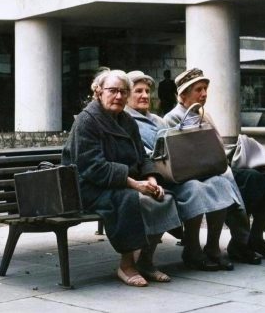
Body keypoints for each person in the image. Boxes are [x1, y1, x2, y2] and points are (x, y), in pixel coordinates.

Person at [62, 68, 182, 287]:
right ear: (98, 92)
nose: (118, 96)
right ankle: (126, 265)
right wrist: (134, 184)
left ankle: (145, 261)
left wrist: (151, 178)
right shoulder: (86, 121)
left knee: (162, 198)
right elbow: (92, 167)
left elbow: (142, 157)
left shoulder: (126, 120)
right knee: (129, 199)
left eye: (123, 92)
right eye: (112, 91)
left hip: (119, 181)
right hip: (88, 185)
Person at [165, 68, 265, 262]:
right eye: (198, 89)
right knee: (255, 180)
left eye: (205, 89)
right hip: (201, 173)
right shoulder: (173, 118)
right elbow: (182, 156)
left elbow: (216, 146)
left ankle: (256, 237)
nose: (204, 94)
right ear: (183, 94)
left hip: (218, 165)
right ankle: (241, 242)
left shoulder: (203, 114)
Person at [126, 70, 243, 271]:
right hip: (154, 176)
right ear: (127, 95)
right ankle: (192, 249)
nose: (145, 95)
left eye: (146, 91)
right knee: (194, 189)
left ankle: (213, 247)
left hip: (176, 171)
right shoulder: (126, 121)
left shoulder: (157, 120)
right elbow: (141, 154)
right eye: (138, 91)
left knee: (220, 183)